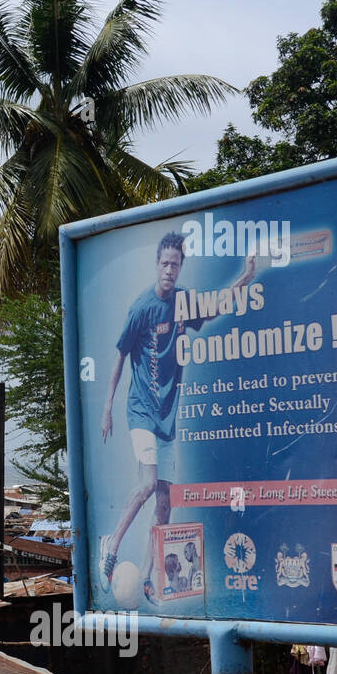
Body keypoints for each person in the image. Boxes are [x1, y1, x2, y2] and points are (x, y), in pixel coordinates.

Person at [97, 231, 257, 591]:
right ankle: (112, 545)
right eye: (165, 263)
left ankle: (147, 576)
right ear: (157, 264)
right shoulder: (141, 307)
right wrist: (108, 407)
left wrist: (245, 278)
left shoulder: (184, 302)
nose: (170, 269)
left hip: (168, 416)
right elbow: (120, 356)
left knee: (166, 503)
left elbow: (216, 308)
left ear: (181, 266)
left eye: (176, 264)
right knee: (148, 484)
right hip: (140, 410)